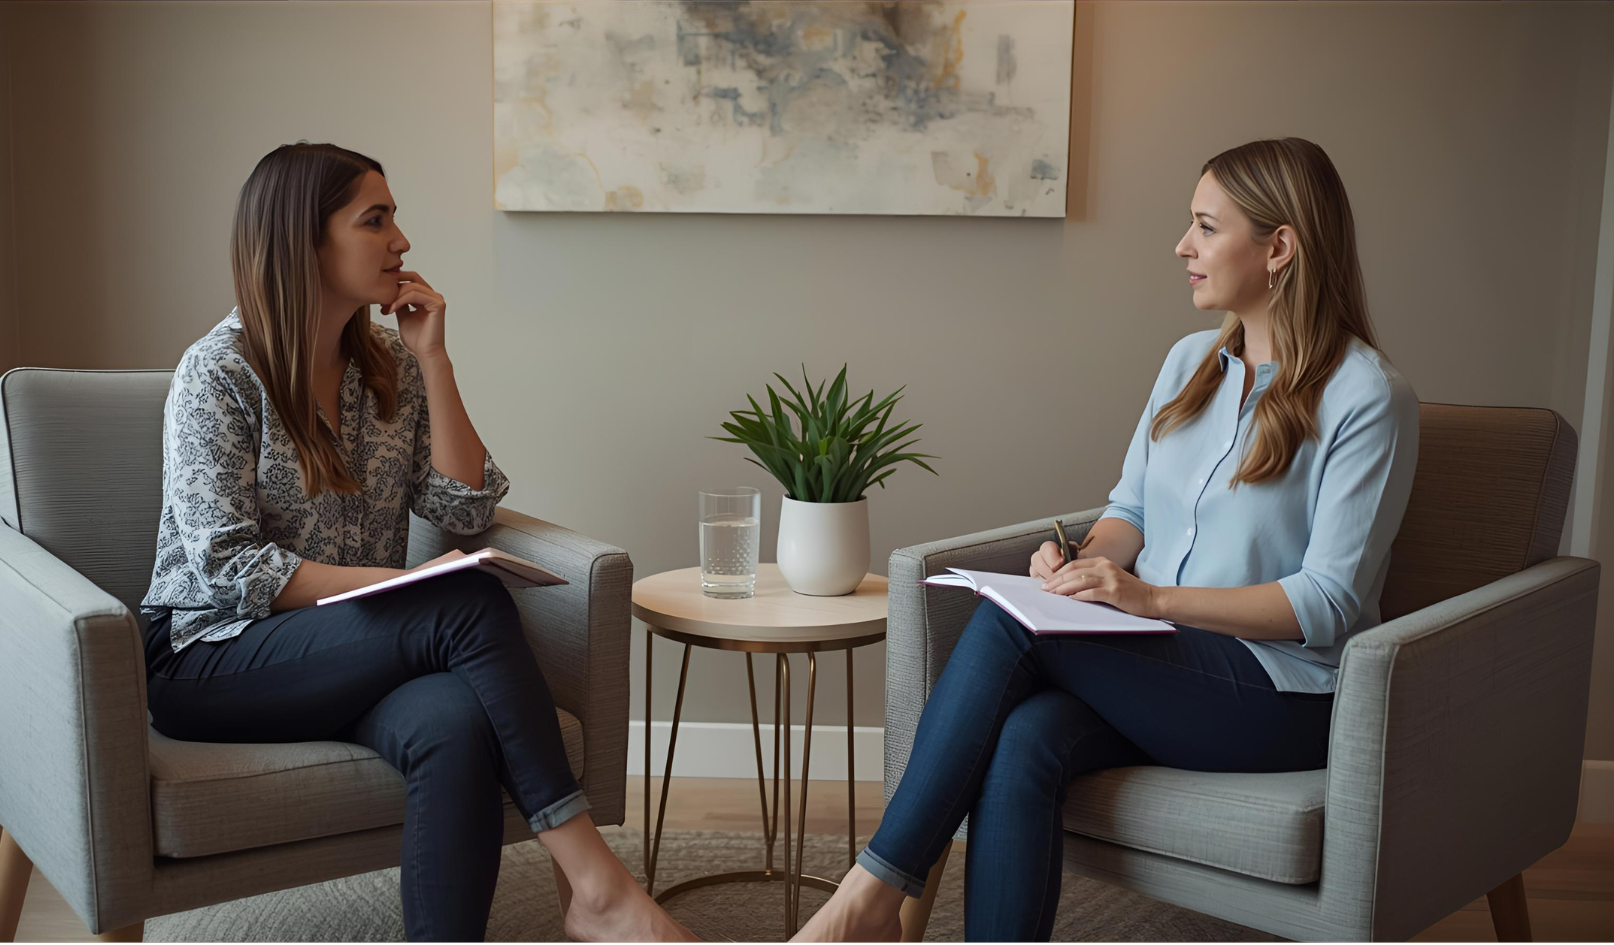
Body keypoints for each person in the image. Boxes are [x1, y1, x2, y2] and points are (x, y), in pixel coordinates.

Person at [791, 137, 1421, 942]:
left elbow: (1328, 602)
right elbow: (1129, 512)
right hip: (1160, 663)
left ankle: (868, 901)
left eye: (1204, 226)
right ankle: (880, 907)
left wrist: (1148, 597)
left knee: (1010, 624)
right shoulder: (1190, 363)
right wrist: (1089, 563)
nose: (1182, 247)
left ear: (1280, 247)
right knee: (1024, 739)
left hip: (1285, 694)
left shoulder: (1368, 395)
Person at [139, 142, 697, 943]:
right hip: (210, 654)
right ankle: (594, 883)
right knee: (462, 595)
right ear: (305, 240)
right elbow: (228, 570)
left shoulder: (388, 363)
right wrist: (394, 587)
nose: (402, 241)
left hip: (345, 647)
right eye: (376, 220)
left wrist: (435, 359)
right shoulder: (216, 373)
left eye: (395, 218)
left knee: (454, 724)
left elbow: (465, 507)